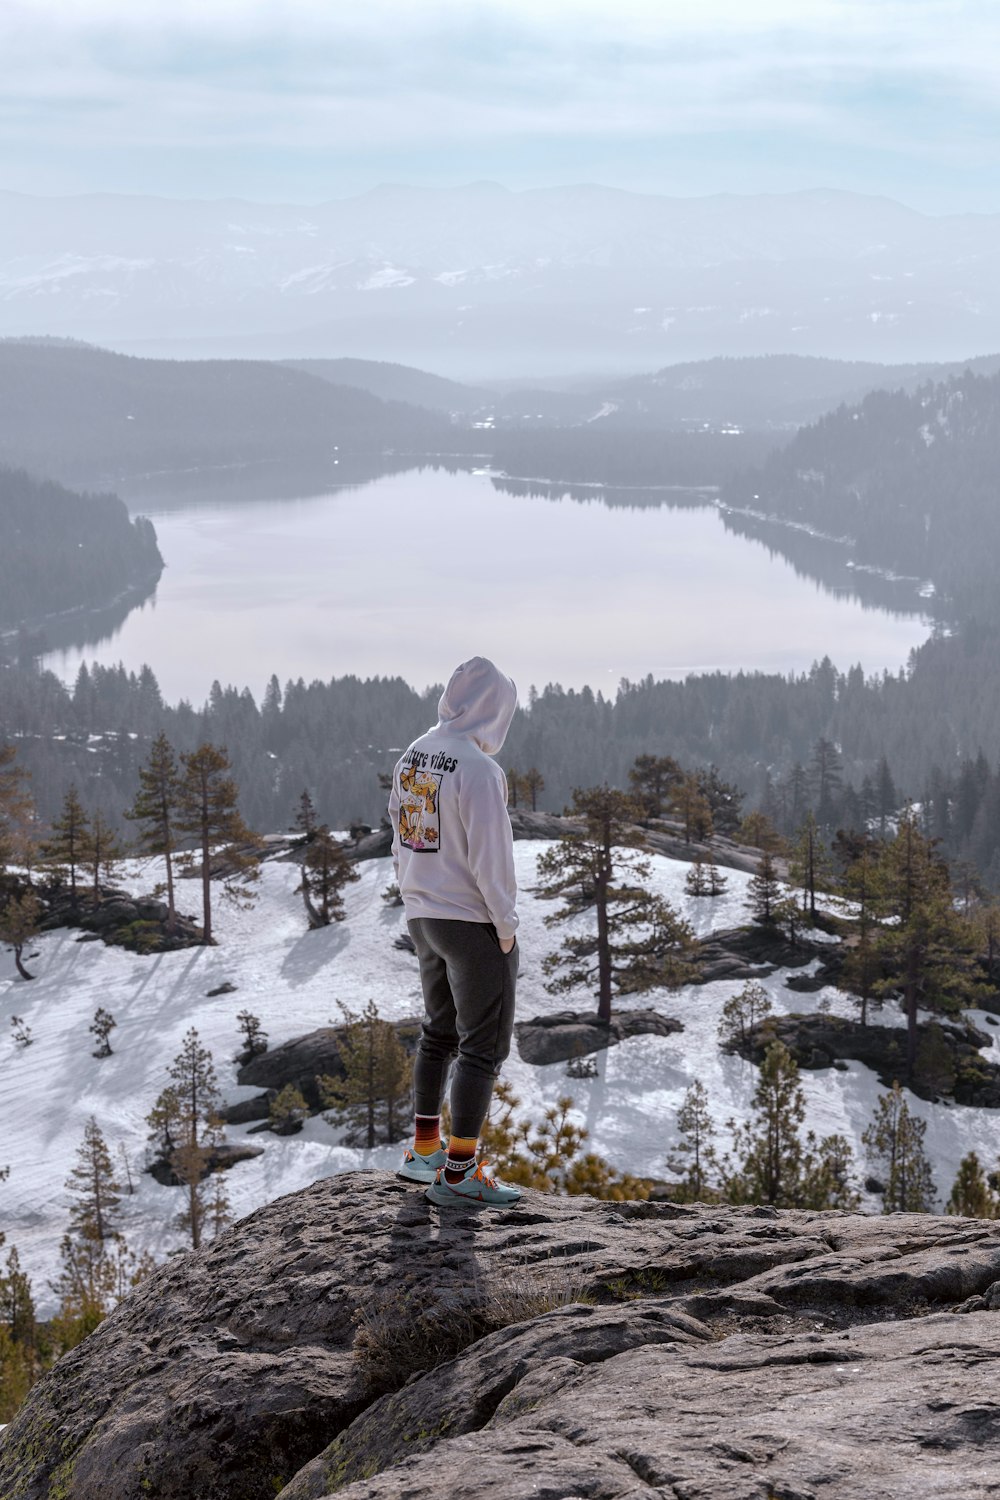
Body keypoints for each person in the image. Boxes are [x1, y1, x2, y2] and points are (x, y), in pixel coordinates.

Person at [388, 656, 522, 1207]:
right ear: (494, 710)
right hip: (471, 922)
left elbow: (398, 829)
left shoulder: (414, 755)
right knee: (482, 1048)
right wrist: (506, 926)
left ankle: (425, 1153)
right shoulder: (479, 770)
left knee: (437, 1032)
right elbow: (494, 860)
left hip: (424, 917)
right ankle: (462, 1170)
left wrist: (413, 896)